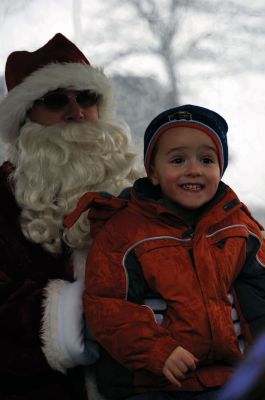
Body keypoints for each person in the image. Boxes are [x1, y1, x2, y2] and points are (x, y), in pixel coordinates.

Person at [65, 104, 265, 399]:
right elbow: (108, 305)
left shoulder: (236, 225)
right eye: (178, 159)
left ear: (219, 169)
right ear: (153, 173)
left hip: (229, 375)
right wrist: (157, 351)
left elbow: (259, 293)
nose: (194, 169)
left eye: (207, 159)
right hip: (153, 380)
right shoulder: (125, 231)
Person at [0, 33, 141, 400]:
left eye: (87, 98)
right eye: (56, 100)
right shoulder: (1, 197)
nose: (76, 112)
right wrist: (76, 317)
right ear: (27, 118)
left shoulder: (144, 186)